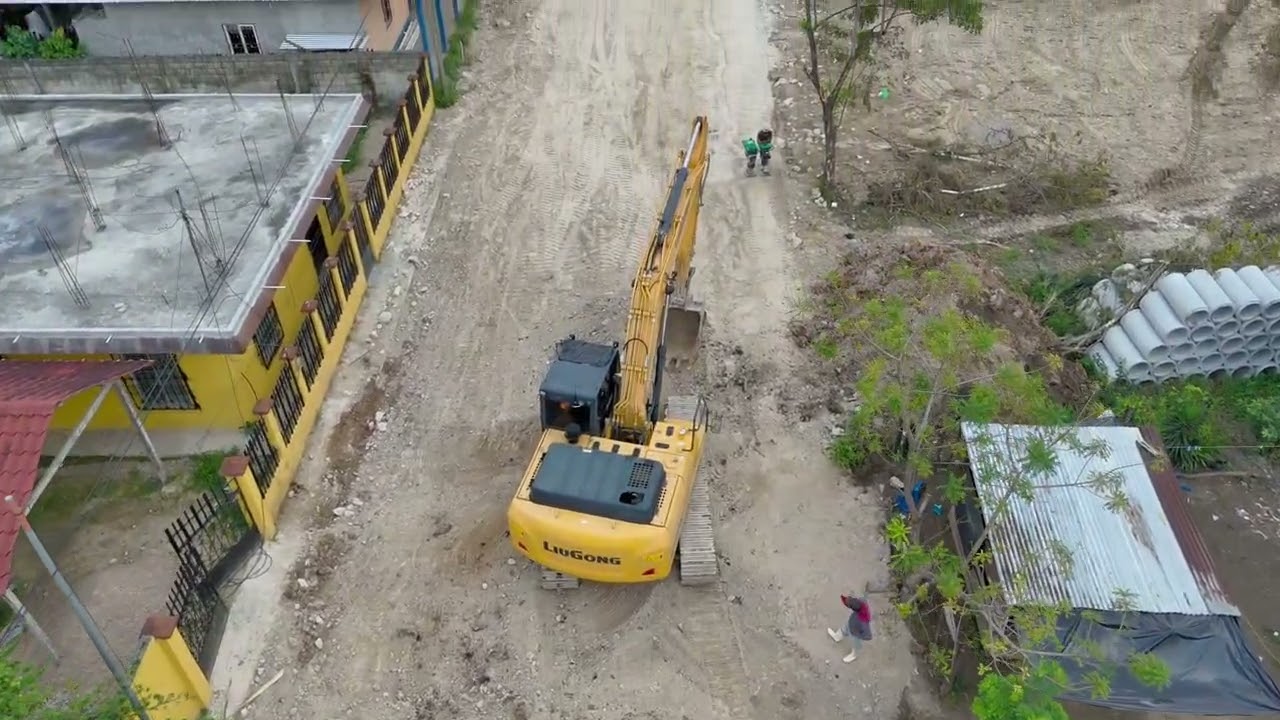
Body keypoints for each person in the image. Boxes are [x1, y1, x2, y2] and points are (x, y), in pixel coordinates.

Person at [827, 594, 872, 662]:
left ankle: (854, 655)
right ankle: (837, 637)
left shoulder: (863, 622)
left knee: (856, 645)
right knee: (842, 630)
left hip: (855, 634)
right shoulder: (861, 602)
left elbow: (868, 636)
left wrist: (858, 635)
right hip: (850, 624)